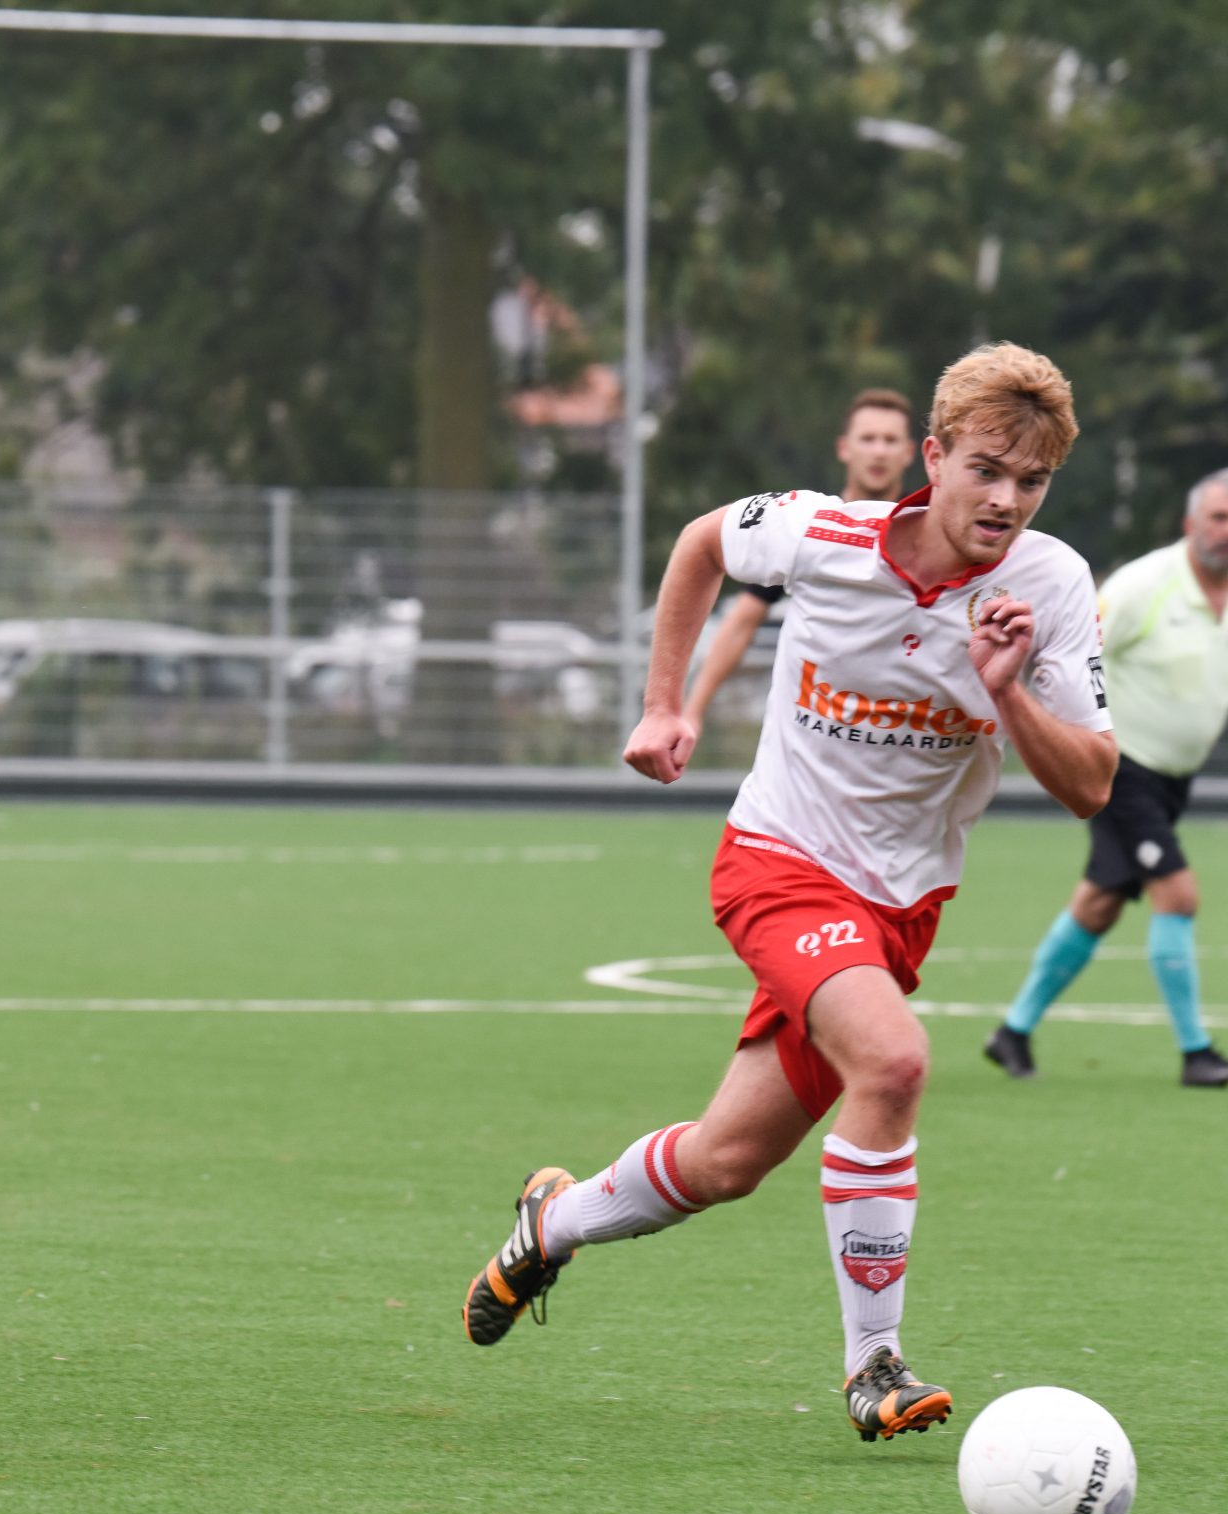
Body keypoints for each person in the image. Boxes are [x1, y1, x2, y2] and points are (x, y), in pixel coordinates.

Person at [461, 345, 1114, 1447]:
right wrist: (662, 704)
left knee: (726, 1159)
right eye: (987, 469)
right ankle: (874, 1363)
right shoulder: (823, 532)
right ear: (933, 456)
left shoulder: (1048, 585)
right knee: (894, 1061)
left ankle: (550, 1221)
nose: (1007, 499)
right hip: (779, 861)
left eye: (1032, 480)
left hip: (896, 911)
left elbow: (1091, 783)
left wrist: (1006, 692)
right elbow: (699, 543)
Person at [987, 469, 1228, 1086]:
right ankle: (1197, 1053)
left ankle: (1013, 1032)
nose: (1226, 532)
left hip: (1175, 780)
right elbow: (1070, 652)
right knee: (1178, 894)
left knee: (1098, 905)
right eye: (1218, 518)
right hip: (1124, 770)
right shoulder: (1144, 586)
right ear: (1190, 525)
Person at [682, 389, 918, 749]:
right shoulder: (808, 530)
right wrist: (692, 710)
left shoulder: (926, 534)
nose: (879, 451)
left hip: (900, 734)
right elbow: (742, 621)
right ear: (844, 448)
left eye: (890, 440)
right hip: (817, 731)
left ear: (910, 452)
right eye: (868, 439)